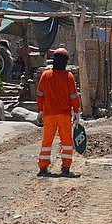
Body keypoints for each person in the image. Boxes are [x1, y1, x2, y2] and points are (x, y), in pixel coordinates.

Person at [35, 48, 81, 177]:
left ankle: (43, 167)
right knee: (67, 142)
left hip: (49, 115)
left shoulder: (46, 75)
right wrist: (76, 112)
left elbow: (39, 94)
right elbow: (74, 96)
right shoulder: (69, 76)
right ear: (66, 61)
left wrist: (40, 110)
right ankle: (65, 168)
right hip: (64, 116)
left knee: (47, 141)